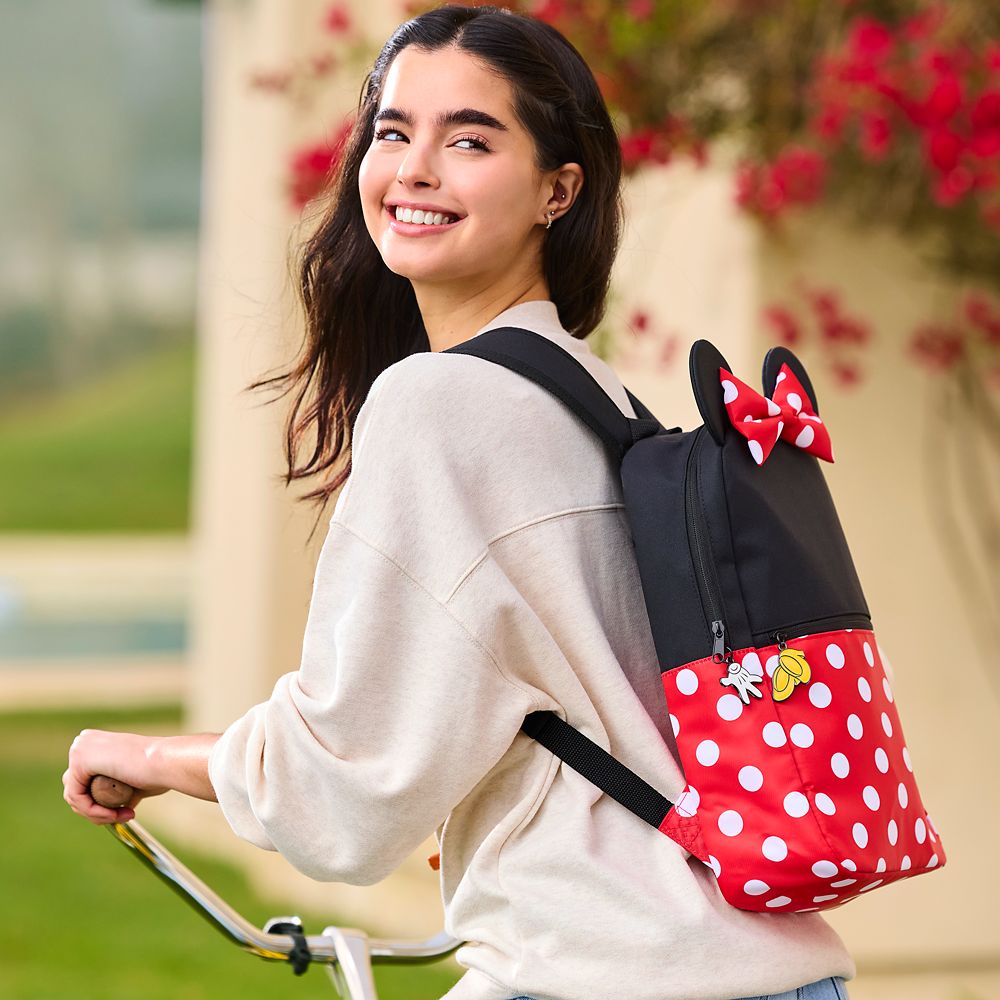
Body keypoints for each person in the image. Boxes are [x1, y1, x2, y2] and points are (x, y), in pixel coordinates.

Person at [63, 6, 856, 999]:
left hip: (612, 970)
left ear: (558, 189)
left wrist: (146, 756)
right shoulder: (599, 398)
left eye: (470, 141)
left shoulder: (441, 405)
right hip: (762, 966)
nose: (415, 169)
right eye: (393, 132)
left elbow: (343, 779)